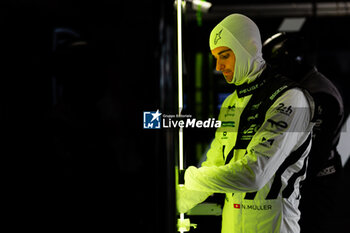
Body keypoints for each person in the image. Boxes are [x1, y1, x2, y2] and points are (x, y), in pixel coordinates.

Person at [177, 14, 315, 233]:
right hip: (231, 224)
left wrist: (190, 177)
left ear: (247, 49)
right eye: (215, 57)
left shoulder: (292, 99)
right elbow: (215, 166)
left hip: (276, 226)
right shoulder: (232, 102)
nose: (218, 66)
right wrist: (174, 202)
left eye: (224, 56)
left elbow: (254, 174)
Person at [262, 32, 345, 233]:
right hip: (302, 179)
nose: (272, 74)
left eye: (275, 66)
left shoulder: (318, 95)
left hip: (316, 182)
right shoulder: (299, 89)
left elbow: (313, 153)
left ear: (291, 63)